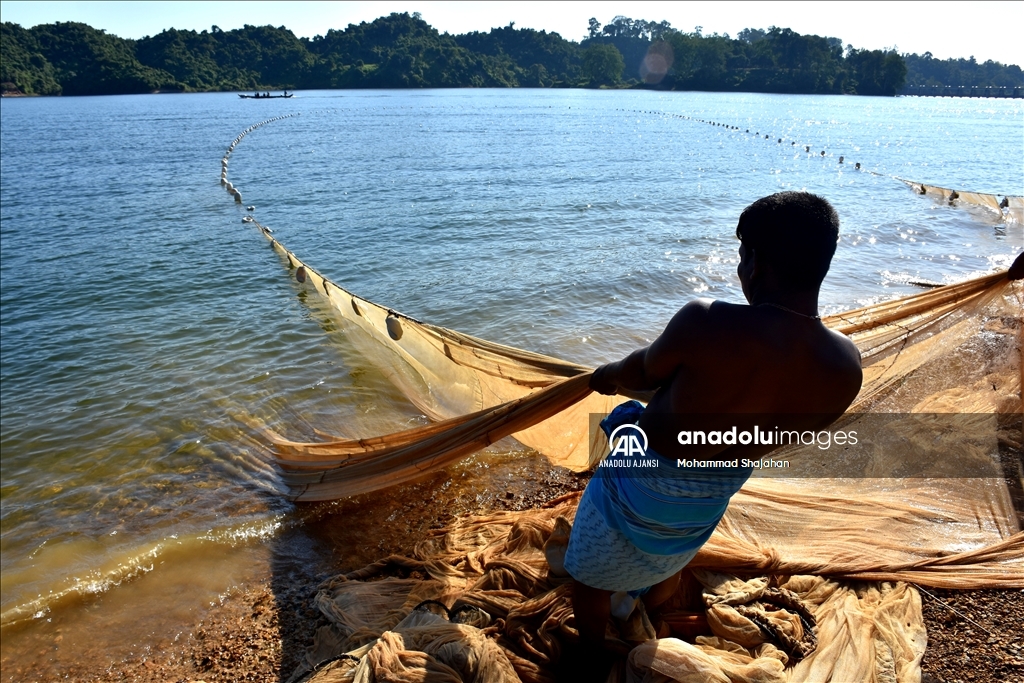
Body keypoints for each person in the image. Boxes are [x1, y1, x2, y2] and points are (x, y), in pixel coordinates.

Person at [563, 191, 863, 676]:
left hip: (636, 493)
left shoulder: (706, 320)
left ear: (755, 262)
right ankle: (652, 610)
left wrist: (606, 373)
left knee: (590, 578)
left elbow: (639, 372)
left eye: (743, 251)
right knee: (668, 552)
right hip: (703, 508)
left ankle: (591, 654)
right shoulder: (845, 366)